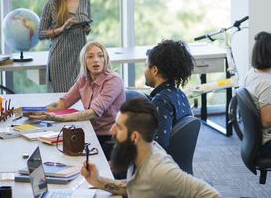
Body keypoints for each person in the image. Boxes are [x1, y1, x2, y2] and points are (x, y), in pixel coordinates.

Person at [81, 98, 220, 198]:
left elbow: (210, 194)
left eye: (118, 127)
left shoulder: (160, 171)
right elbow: (132, 187)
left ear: (134, 137)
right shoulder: (137, 152)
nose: (112, 130)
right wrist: (98, 181)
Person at [29, 41, 125, 159]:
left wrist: (56, 118)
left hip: (110, 138)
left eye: (100, 56)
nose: (96, 60)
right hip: (90, 132)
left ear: (106, 59)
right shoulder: (83, 79)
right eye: (90, 56)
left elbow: (92, 113)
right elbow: (64, 103)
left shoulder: (113, 81)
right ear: (84, 61)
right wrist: (38, 111)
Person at [39, 0, 92, 92]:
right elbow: (40, 34)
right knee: (61, 103)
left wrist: (86, 28)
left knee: (81, 99)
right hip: (60, 59)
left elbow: (88, 27)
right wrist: (61, 28)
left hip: (80, 57)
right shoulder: (52, 4)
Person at [144, 40, 194, 149]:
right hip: (176, 162)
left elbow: (159, 146)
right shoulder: (179, 94)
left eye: (146, 66)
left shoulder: (160, 101)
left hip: (163, 164)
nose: (144, 71)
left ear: (155, 70)